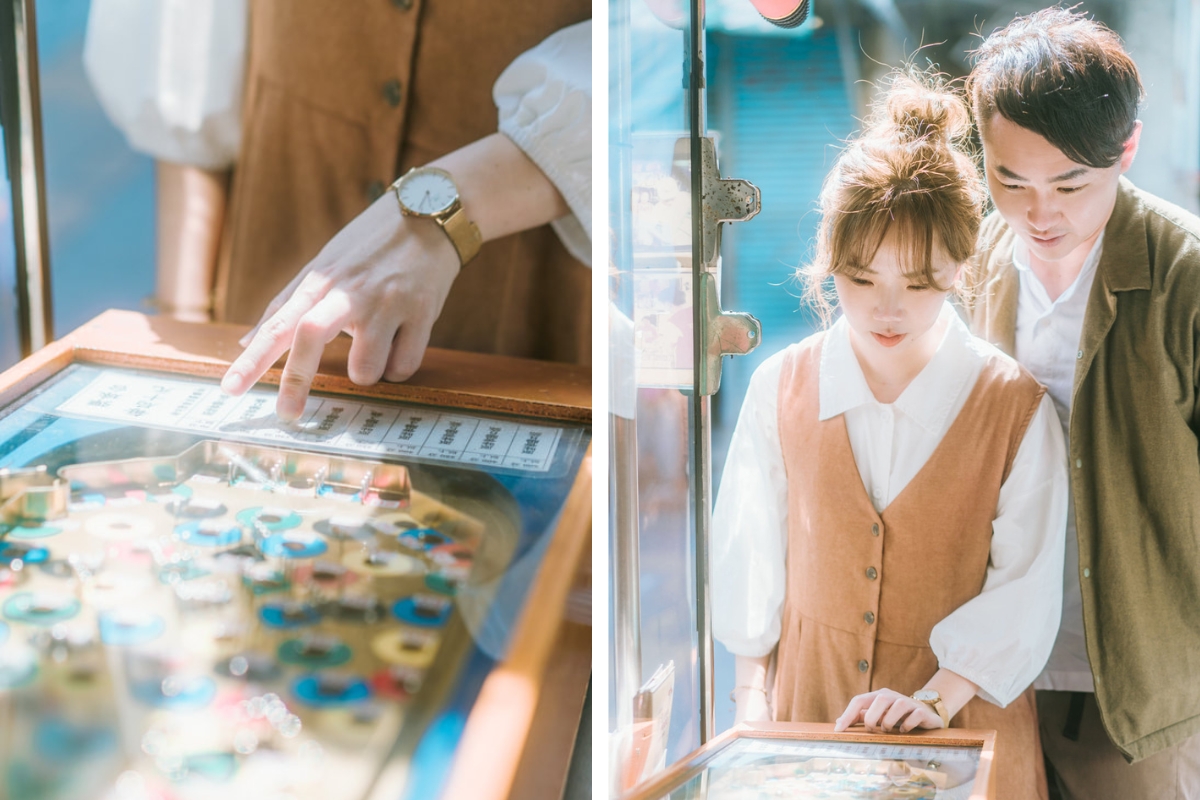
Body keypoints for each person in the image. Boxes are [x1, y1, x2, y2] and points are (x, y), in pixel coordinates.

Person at [711, 71, 1068, 800]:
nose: (887, 307)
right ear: (829, 266)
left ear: (961, 269)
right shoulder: (782, 385)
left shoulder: (1013, 407)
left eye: (919, 280)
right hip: (809, 733)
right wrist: (750, 718)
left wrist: (933, 699)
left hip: (966, 736)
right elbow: (751, 567)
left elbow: (1025, 592)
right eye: (861, 278)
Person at [85, 1, 591, 419]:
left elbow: (648, 65)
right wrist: (184, 320)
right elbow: (187, 44)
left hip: (528, 285)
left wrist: (450, 213)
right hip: (279, 232)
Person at [963, 8, 1200, 798]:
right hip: (996, 672)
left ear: (1126, 149)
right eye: (1010, 181)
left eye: (1071, 184)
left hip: (1137, 694)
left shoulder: (1184, 278)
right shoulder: (977, 260)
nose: (1040, 213)